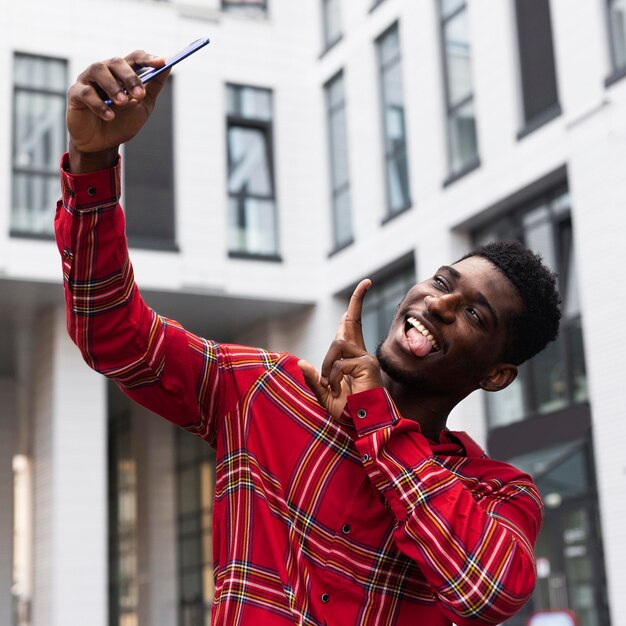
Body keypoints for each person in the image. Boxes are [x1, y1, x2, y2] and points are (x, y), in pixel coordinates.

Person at [55, 52, 561, 626]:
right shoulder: (262, 390)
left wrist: (375, 418)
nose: (439, 303)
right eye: (443, 282)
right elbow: (113, 335)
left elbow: (487, 590)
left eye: (474, 313)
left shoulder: (497, 495)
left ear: (496, 375)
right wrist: (93, 159)